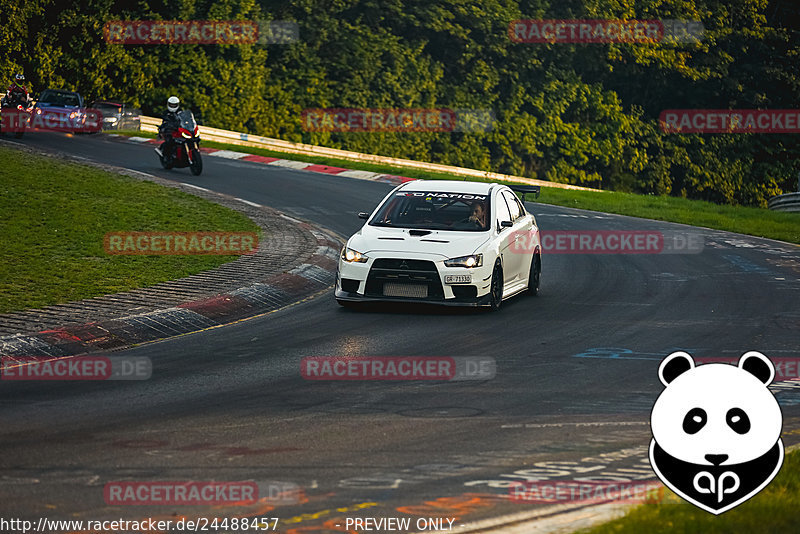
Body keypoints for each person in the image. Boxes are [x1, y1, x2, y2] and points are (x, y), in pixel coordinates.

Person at [156, 96, 181, 160]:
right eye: (171, 105)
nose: (172, 106)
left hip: (178, 128)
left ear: (177, 104)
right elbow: (164, 120)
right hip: (169, 129)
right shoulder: (166, 112)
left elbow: (185, 117)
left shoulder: (180, 111)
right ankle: (165, 152)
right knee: (170, 140)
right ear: (168, 104)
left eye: (174, 105)